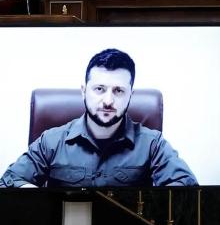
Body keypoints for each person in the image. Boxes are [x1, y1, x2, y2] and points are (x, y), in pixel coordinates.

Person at [0, 48, 197, 187]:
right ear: (84, 91)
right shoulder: (51, 141)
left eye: (118, 90)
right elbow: (10, 181)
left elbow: (187, 188)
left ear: (131, 95)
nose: (108, 101)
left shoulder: (153, 144)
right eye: (99, 89)